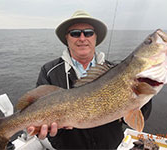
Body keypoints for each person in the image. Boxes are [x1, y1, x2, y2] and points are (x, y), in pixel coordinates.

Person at [27, 10, 152, 149]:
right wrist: (41, 130)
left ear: (95, 37)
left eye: (88, 32)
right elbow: (35, 110)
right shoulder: (49, 71)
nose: (82, 38)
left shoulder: (116, 71)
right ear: (67, 38)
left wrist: (143, 90)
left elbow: (142, 115)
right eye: (75, 33)